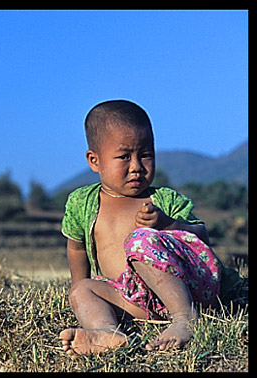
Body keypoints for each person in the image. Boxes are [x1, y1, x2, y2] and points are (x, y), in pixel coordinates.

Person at [59, 100, 222, 356]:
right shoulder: (82, 203)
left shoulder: (164, 201)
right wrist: (81, 290)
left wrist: (168, 224)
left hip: (183, 291)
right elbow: (76, 248)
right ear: (94, 161)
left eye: (145, 154)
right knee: (82, 290)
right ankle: (107, 333)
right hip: (132, 299)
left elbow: (201, 239)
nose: (136, 166)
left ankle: (184, 318)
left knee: (139, 241)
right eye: (124, 156)